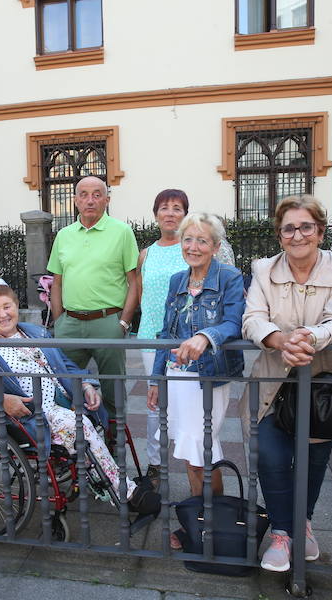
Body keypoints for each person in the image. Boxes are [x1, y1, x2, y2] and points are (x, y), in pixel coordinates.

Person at [0, 284, 160, 515]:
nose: (3, 315)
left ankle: (100, 479)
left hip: (63, 402)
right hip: (27, 414)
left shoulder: (34, 332)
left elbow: (67, 365)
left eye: (7, 307)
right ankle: (126, 491)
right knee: (76, 425)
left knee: (96, 421)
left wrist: (86, 384)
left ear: (16, 307)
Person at [241, 195, 332, 572]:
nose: (298, 234)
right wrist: (279, 340)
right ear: (279, 235)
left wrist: (309, 337)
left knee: (312, 459)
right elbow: (253, 318)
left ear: (320, 231)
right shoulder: (263, 269)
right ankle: (280, 532)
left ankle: (301, 523)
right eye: (289, 228)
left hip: (322, 382)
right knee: (271, 456)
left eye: (306, 226)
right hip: (272, 379)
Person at [146, 212, 245, 501]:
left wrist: (205, 337)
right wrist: (156, 379)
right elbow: (165, 333)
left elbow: (234, 322)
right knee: (190, 452)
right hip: (177, 377)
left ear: (215, 247)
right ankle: (199, 516)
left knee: (202, 449)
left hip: (208, 376)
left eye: (202, 241)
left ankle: (210, 520)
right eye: (188, 239)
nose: (193, 246)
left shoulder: (230, 277)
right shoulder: (178, 280)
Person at [47, 176, 139, 434]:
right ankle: (74, 446)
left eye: (97, 194)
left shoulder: (121, 232)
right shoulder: (64, 236)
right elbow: (57, 282)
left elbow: (134, 281)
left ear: (107, 200)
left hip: (108, 323)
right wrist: (59, 321)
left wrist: (123, 323)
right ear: (75, 201)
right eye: (84, 194)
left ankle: (114, 450)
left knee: (114, 390)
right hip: (70, 324)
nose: (90, 200)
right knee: (63, 386)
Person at [136, 189, 189, 486]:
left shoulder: (191, 248)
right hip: (151, 337)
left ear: (185, 214)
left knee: (188, 399)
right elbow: (143, 294)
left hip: (185, 339)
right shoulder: (146, 253)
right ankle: (155, 463)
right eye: (164, 208)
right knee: (155, 401)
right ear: (156, 214)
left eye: (177, 208)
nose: (170, 213)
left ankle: (194, 458)